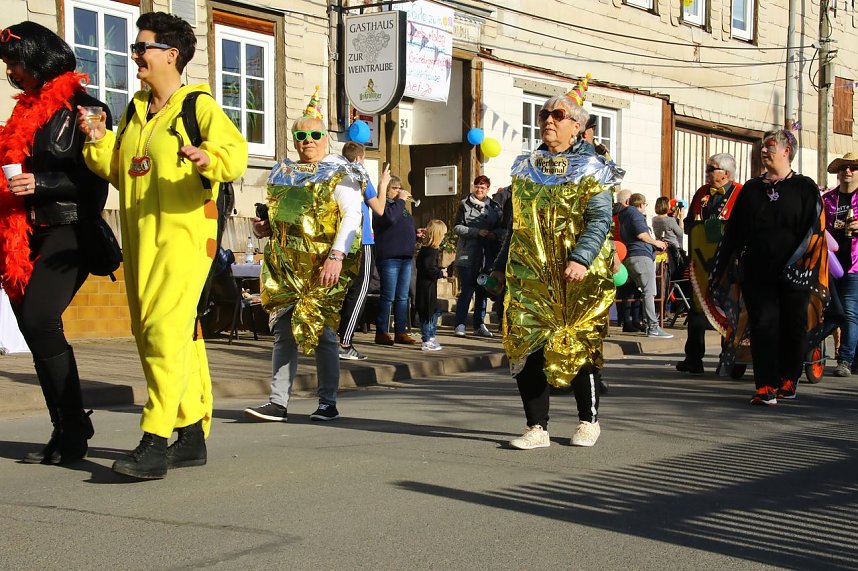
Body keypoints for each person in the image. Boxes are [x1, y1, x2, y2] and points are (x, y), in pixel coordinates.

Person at [81, 12, 248, 478]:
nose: (135, 55)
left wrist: (206, 156)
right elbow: (121, 170)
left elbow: (233, 154)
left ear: (171, 55)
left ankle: (154, 439)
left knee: (163, 334)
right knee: (171, 336)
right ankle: (192, 435)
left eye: (142, 47)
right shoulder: (136, 110)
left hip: (186, 238)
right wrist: (97, 141)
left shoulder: (199, 106)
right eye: (135, 48)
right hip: (139, 241)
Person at [0, 22, 111, 465]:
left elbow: (96, 182)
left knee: (41, 317)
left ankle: (71, 425)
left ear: (38, 58)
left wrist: (40, 182)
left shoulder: (86, 108)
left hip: (71, 227)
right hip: (23, 233)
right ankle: (68, 425)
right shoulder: (22, 112)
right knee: (32, 327)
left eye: (14, 62)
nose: (11, 72)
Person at [490, 73, 620, 450]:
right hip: (529, 272)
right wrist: (499, 267)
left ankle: (588, 419)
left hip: (577, 274)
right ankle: (536, 428)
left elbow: (599, 220)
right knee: (525, 345)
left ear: (576, 126)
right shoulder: (525, 167)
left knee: (576, 343)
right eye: (546, 114)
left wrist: (581, 258)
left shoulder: (593, 167)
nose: (549, 120)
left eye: (558, 114)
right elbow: (518, 224)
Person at [244, 90, 362, 423]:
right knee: (283, 329)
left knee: (323, 332)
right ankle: (278, 401)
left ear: (326, 138)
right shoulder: (285, 174)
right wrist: (264, 228)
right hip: (286, 265)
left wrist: (337, 256)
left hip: (324, 265)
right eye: (300, 135)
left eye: (313, 135)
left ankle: (327, 402)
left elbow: (352, 216)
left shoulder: (342, 174)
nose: (307, 141)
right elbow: (280, 216)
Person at [711, 130, 825, 405]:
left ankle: (788, 377)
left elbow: (816, 229)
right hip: (756, 270)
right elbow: (734, 231)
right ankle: (765, 386)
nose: (764, 151)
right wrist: (724, 264)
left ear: (787, 151)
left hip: (794, 271)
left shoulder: (805, 187)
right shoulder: (751, 188)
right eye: (763, 147)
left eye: (770, 147)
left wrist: (806, 264)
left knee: (792, 325)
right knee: (763, 323)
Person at [676, 153, 743, 374]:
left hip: (728, 264)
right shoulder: (701, 193)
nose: (707, 172)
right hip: (701, 263)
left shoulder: (741, 193)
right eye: (707, 168)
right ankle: (693, 358)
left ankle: (729, 358)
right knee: (697, 311)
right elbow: (689, 223)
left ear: (726, 173)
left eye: (711, 168)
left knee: (727, 311)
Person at [336, 142, 386, 361]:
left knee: (341, 290)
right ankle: (345, 342)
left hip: (342, 240)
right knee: (361, 289)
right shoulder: (359, 173)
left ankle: (333, 339)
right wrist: (383, 184)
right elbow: (380, 208)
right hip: (362, 239)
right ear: (359, 159)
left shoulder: (337, 174)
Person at [453, 175, 505, 338]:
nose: (479, 190)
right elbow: (457, 227)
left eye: (483, 188)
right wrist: (476, 232)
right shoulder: (464, 204)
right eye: (477, 187)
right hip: (468, 254)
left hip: (487, 254)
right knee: (467, 289)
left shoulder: (495, 207)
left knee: (483, 289)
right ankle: (460, 324)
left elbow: (502, 229)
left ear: (488, 189)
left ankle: (479, 324)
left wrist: (494, 235)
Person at [822, 152, 858, 377]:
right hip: (830, 263)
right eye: (843, 167)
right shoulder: (827, 199)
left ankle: (844, 359)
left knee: (849, 313)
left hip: (855, 263)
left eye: (853, 168)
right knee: (833, 310)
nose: (847, 171)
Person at [618, 193, 673, 338]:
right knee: (649, 292)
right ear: (641, 205)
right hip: (641, 256)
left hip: (630, 256)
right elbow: (641, 234)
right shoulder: (634, 213)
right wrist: (657, 243)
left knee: (640, 292)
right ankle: (653, 327)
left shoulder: (623, 215)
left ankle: (646, 324)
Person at [373, 175, 420, 345]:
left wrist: (416, 234)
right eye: (394, 188)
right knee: (388, 296)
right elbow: (389, 219)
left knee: (403, 296)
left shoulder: (402, 208)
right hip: (390, 257)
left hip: (405, 256)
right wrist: (400, 201)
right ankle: (382, 331)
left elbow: (401, 227)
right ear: (386, 190)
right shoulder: (382, 204)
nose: (399, 191)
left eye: (400, 188)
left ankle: (401, 331)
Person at [416, 220, 448, 351]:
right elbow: (429, 269)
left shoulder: (425, 250)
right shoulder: (431, 252)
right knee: (428, 313)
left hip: (425, 286)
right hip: (426, 288)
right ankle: (427, 338)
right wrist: (441, 273)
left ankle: (430, 336)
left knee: (434, 311)